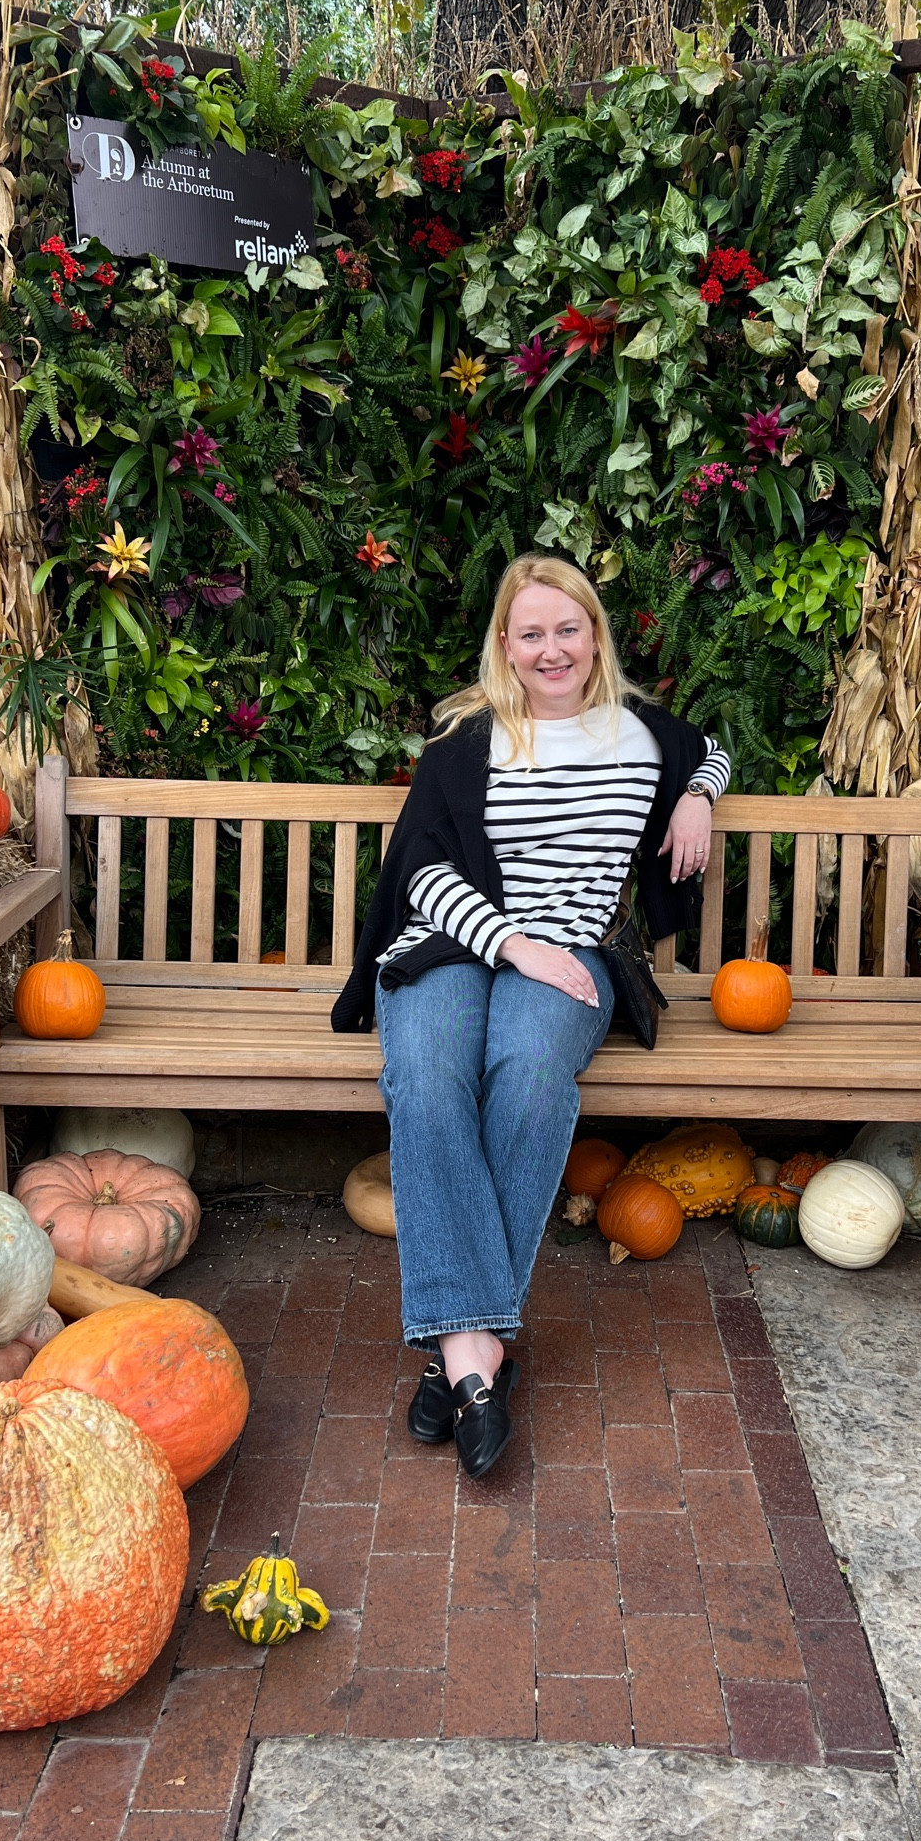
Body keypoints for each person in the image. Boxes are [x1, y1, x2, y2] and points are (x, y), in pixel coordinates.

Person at [332, 553, 730, 1477]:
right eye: (530, 634)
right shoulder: (468, 745)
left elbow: (708, 750)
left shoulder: (640, 734)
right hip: (450, 944)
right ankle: (477, 1353)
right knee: (427, 1075)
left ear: (594, 636)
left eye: (568, 629)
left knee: (534, 1072)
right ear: (504, 649)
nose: (551, 649)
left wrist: (699, 799)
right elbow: (421, 876)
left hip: (574, 955)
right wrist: (511, 943)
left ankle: (455, 1352)